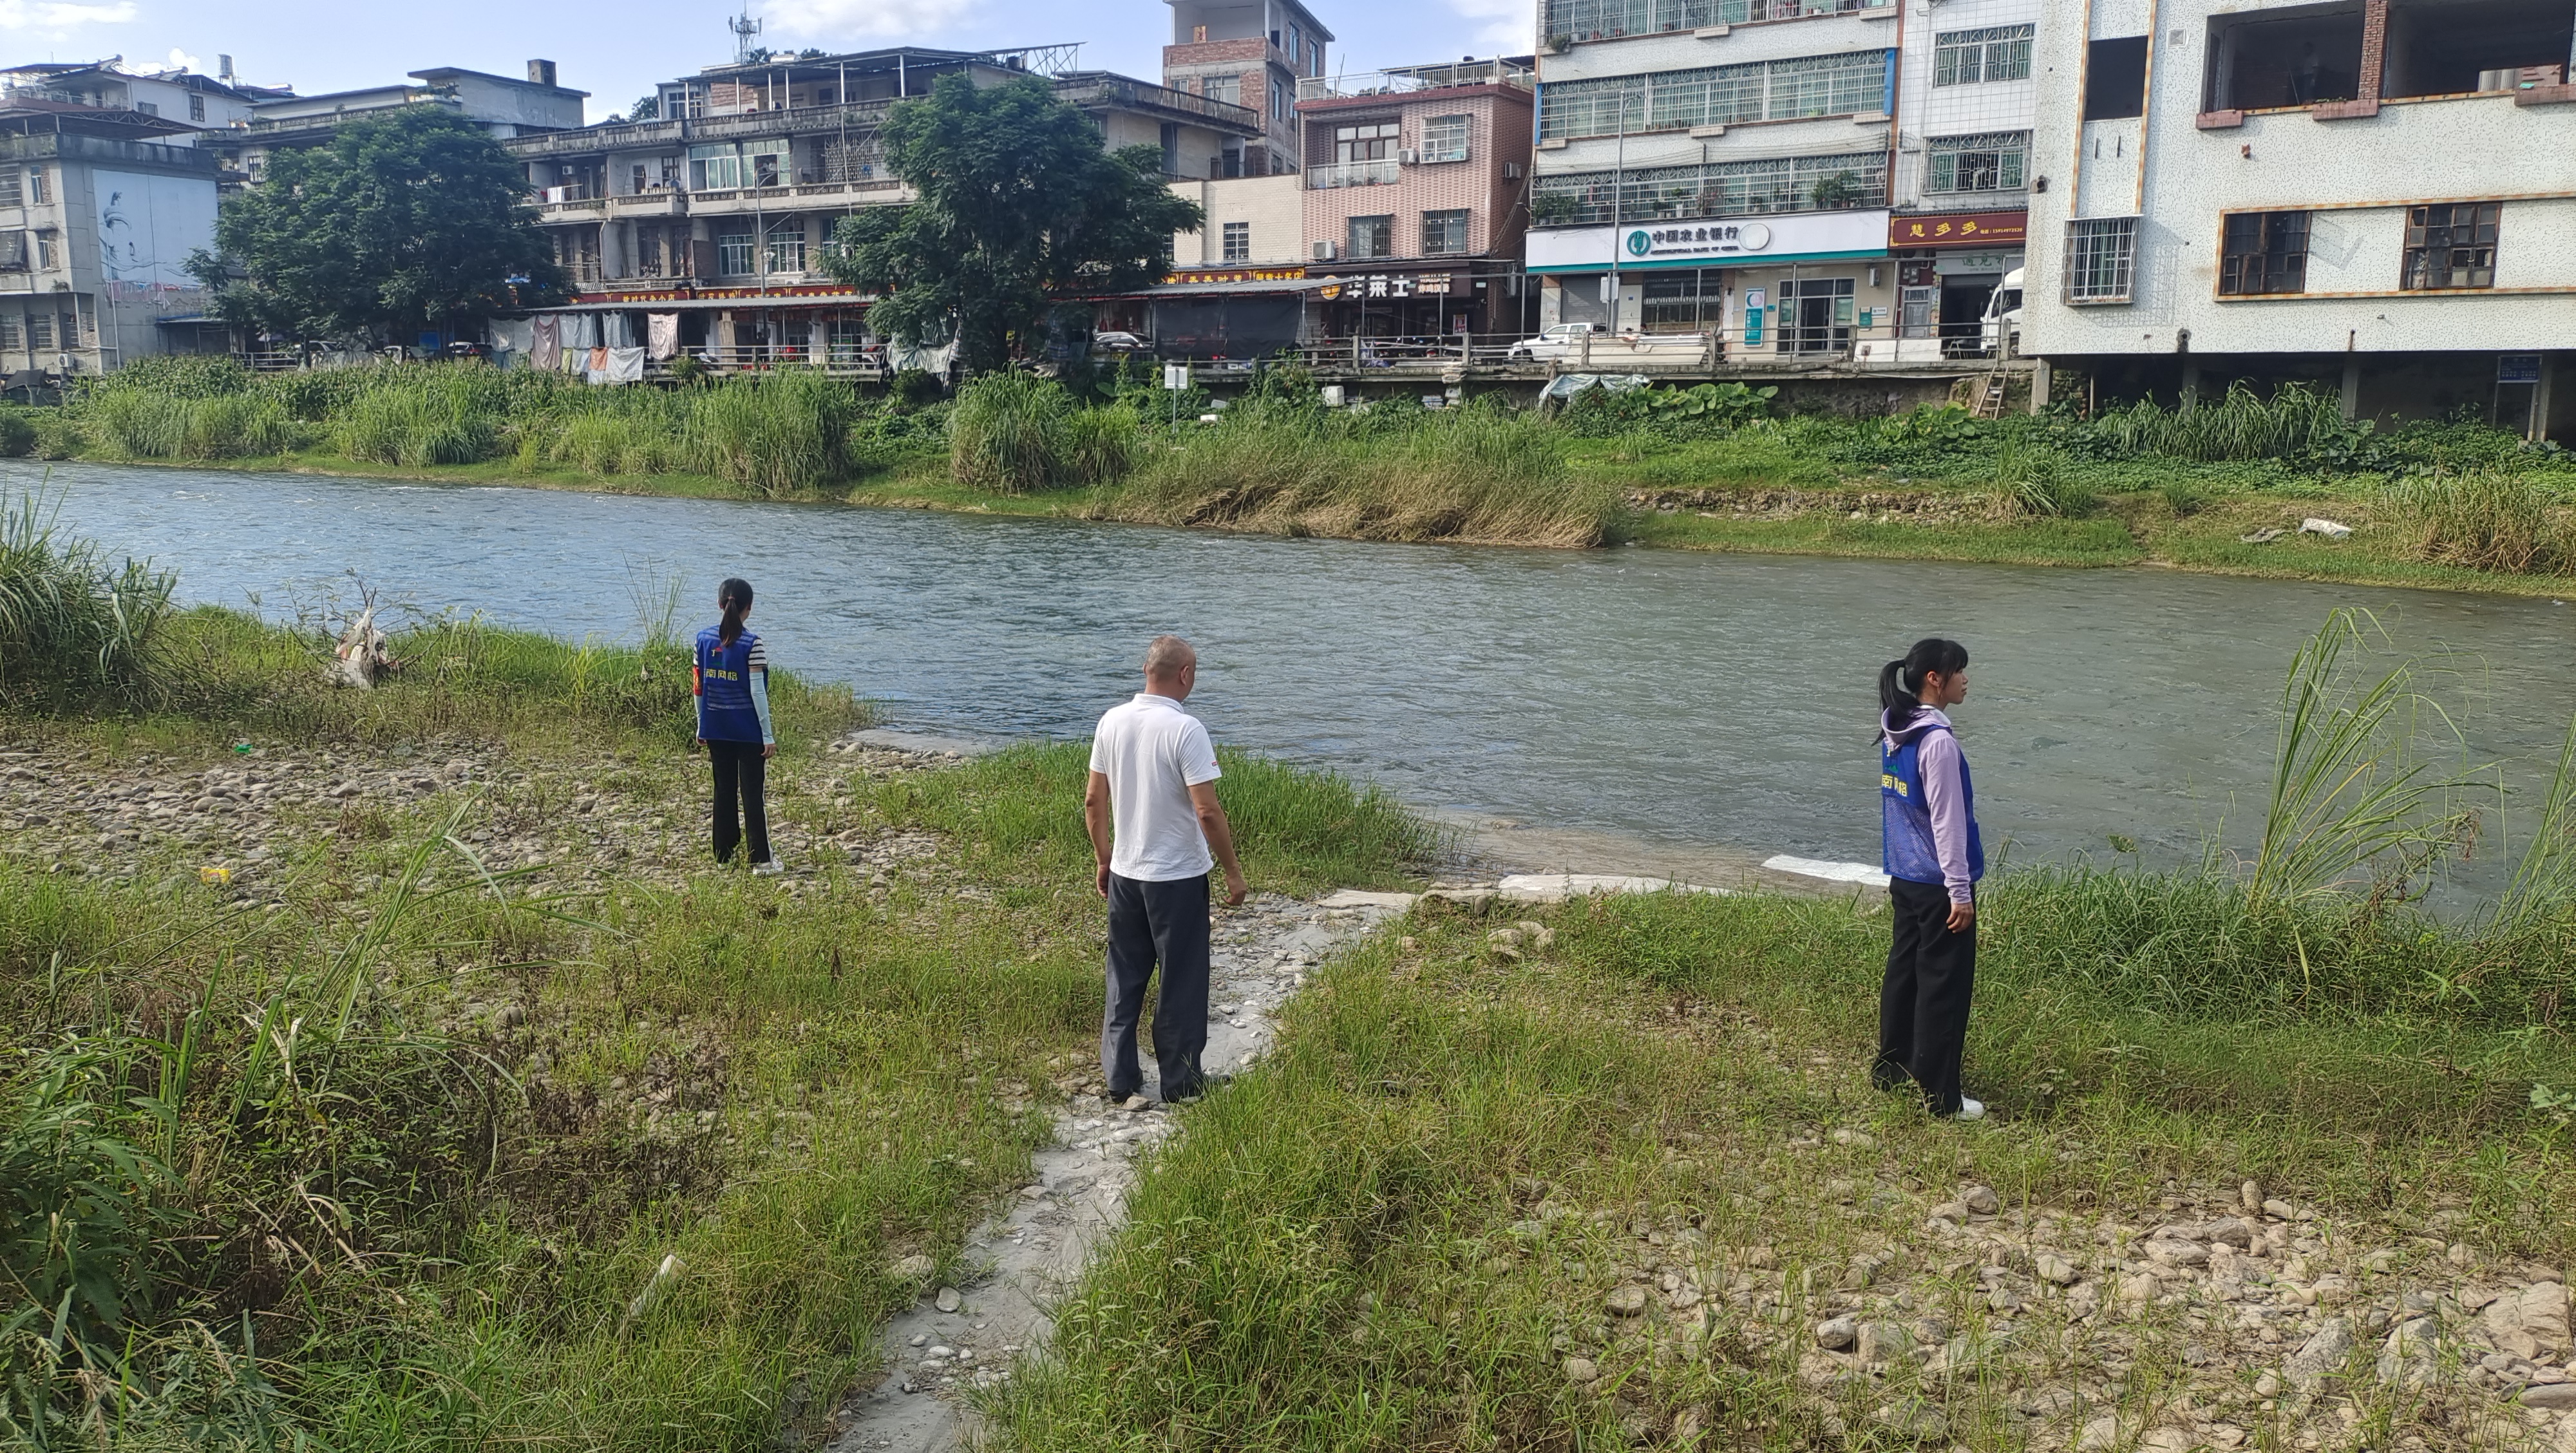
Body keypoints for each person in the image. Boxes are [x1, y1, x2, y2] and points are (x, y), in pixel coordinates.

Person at [1084, 635, 1248, 1106]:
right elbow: (1207, 811)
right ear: (1185, 675)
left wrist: (1104, 858)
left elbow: (1094, 800)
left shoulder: (1111, 721)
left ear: (1145, 670)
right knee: (1181, 978)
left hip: (1126, 873)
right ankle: (1180, 1081)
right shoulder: (1186, 729)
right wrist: (1233, 871)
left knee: (1124, 974)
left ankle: (1120, 1078)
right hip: (1176, 876)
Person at [1875, 637, 1985, 1120]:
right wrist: (1959, 892)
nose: (1966, 679)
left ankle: (1893, 1071)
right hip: (1939, 885)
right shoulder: (1938, 742)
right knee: (1944, 988)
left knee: (1904, 975)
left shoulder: (1897, 730)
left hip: (1906, 875)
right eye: (1959, 671)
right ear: (1935, 680)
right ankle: (1941, 1099)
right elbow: (1947, 822)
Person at [694, 577, 781, 875]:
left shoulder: (703, 640)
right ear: (749, 607)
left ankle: (724, 856)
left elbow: (698, 688)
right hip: (748, 733)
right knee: (753, 794)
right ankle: (762, 861)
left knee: (723, 790)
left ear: (720, 604)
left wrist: (701, 725)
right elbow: (758, 693)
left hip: (716, 728)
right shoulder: (752, 644)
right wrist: (767, 735)